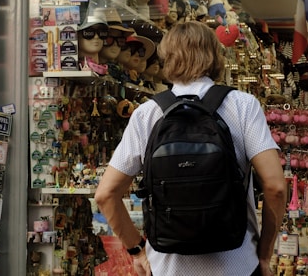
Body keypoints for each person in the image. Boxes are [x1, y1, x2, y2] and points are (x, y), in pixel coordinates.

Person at [94, 21, 287, 276]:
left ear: (166, 58)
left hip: (166, 268)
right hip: (237, 264)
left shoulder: (147, 114)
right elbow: (275, 187)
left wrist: (137, 251)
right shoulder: (242, 106)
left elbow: (106, 195)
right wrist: (264, 253)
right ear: (215, 56)